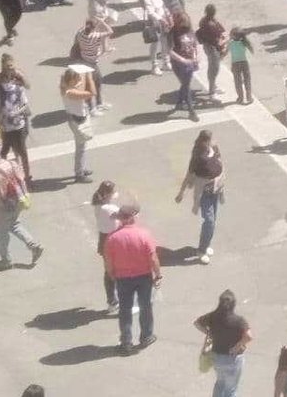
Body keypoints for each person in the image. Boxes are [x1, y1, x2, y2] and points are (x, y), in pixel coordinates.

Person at [103, 200, 161, 355]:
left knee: (125, 310)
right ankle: (146, 336)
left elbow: (108, 262)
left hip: (123, 278)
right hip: (143, 277)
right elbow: (153, 258)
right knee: (145, 306)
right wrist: (158, 275)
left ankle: (126, 343)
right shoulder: (144, 235)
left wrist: (112, 275)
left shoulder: (112, 238)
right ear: (132, 218)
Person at [174, 129, 224, 264]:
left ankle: (206, 244)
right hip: (204, 193)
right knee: (209, 221)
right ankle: (201, 250)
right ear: (203, 141)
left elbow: (220, 164)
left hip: (215, 189)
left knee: (213, 221)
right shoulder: (198, 156)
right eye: (208, 141)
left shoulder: (214, 148)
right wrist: (181, 193)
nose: (209, 143)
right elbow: (189, 175)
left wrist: (222, 187)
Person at [195, 289, 253, 397]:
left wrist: (209, 333)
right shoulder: (239, 320)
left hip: (218, 357)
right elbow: (249, 336)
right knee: (230, 389)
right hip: (234, 358)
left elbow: (197, 323)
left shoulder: (212, 316)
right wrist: (238, 345)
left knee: (220, 384)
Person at [0, 135, 42, 269]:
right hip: (18, 201)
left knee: (1, 233)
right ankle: (33, 246)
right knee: (14, 224)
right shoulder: (10, 163)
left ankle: (6, 261)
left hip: (2, 206)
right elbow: (21, 178)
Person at [0, 53, 32, 178]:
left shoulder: (18, 81)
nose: (10, 69)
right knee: (2, 153)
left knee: (22, 151)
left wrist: (16, 112)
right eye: (7, 66)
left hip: (18, 124)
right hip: (4, 125)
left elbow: (25, 102)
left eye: (11, 66)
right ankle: (2, 177)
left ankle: (27, 177)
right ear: (3, 66)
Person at [61, 65, 95, 182]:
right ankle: (79, 173)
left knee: (81, 146)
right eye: (76, 78)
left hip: (75, 118)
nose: (79, 81)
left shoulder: (65, 86)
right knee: (80, 148)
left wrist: (82, 75)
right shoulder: (71, 92)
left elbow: (78, 83)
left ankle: (81, 168)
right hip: (77, 121)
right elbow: (92, 92)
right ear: (71, 80)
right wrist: (89, 76)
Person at [91, 180, 120, 311]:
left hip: (103, 240)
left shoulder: (98, 205)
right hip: (114, 240)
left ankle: (111, 301)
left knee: (109, 271)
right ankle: (120, 299)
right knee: (118, 270)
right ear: (108, 194)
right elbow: (126, 216)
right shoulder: (110, 209)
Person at [170, 11, 200, 122]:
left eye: (186, 22)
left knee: (185, 85)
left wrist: (195, 56)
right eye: (182, 22)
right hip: (178, 63)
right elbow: (169, 50)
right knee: (186, 85)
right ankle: (189, 109)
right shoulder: (173, 33)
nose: (185, 24)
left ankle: (183, 105)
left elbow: (194, 45)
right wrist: (182, 60)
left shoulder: (190, 30)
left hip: (189, 62)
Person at [196, 4, 228, 98]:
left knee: (213, 67)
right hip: (212, 48)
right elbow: (217, 41)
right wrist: (226, 41)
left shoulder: (205, 20)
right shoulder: (211, 24)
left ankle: (213, 87)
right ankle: (212, 91)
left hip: (208, 47)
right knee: (214, 69)